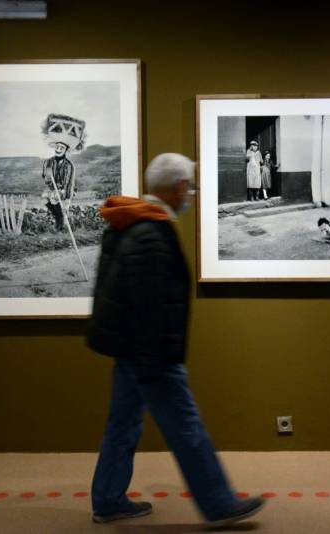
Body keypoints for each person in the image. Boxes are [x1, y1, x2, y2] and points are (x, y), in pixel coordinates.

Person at [88, 153, 266, 527]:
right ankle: (218, 503)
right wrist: (157, 364)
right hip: (151, 354)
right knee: (186, 427)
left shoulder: (129, 223)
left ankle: (107, 500)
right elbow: (149, 306)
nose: (190, 196)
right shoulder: (151, 234)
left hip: (130, 350)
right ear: (180, 187)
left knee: (122, 424)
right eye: (190, 188)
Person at [41, 113, 85, 231]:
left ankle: (60, 223)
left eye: (62, 148)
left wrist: (66, 199)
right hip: (52, 188)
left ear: (65, 150)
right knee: (45, 197)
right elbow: (44, 176)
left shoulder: (69, 165)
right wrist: (48, 179)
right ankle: (59, 217)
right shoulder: (48, 162)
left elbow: (69, 183)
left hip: (65, 189)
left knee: (56, 198)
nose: (58, 149)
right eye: (57, 147)